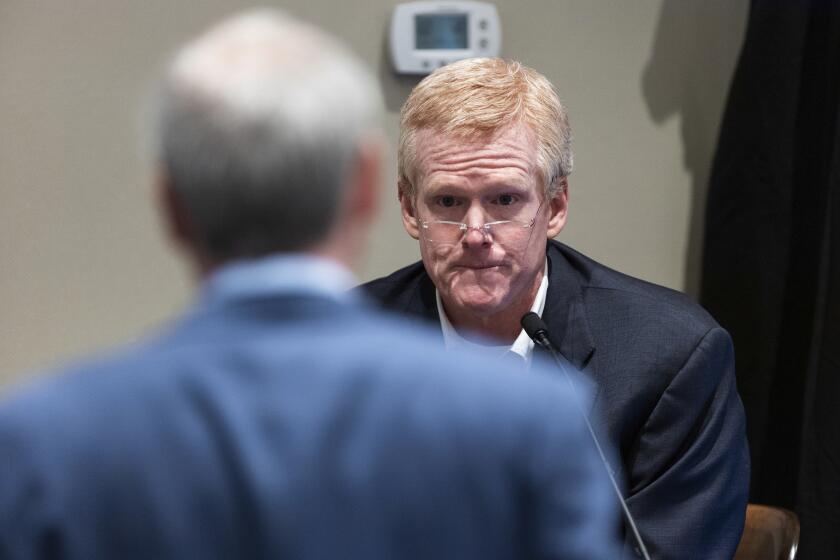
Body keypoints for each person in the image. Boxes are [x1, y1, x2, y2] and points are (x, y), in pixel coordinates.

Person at [0, 11, 621, 560]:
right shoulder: (530, 421)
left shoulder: (42, 436)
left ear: (170, 204)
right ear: (369, 188)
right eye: (451, 200)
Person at [361, 57, 750, 559]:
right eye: (449, 202)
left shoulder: (671, 358)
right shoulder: (341, 344)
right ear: (410, 209)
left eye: (504, 200)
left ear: (556, 207)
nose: (476, 235)